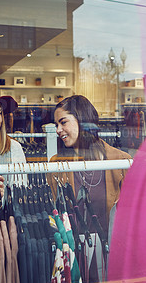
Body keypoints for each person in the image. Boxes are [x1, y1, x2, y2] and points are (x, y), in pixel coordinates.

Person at [49, 95, 132, 239]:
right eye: (56, 125)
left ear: (82, 120)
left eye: (63, 122)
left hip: (111, 250)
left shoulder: (121, 162)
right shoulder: (56, 165)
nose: (58, 130)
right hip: (74, 251)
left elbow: (132, 216)